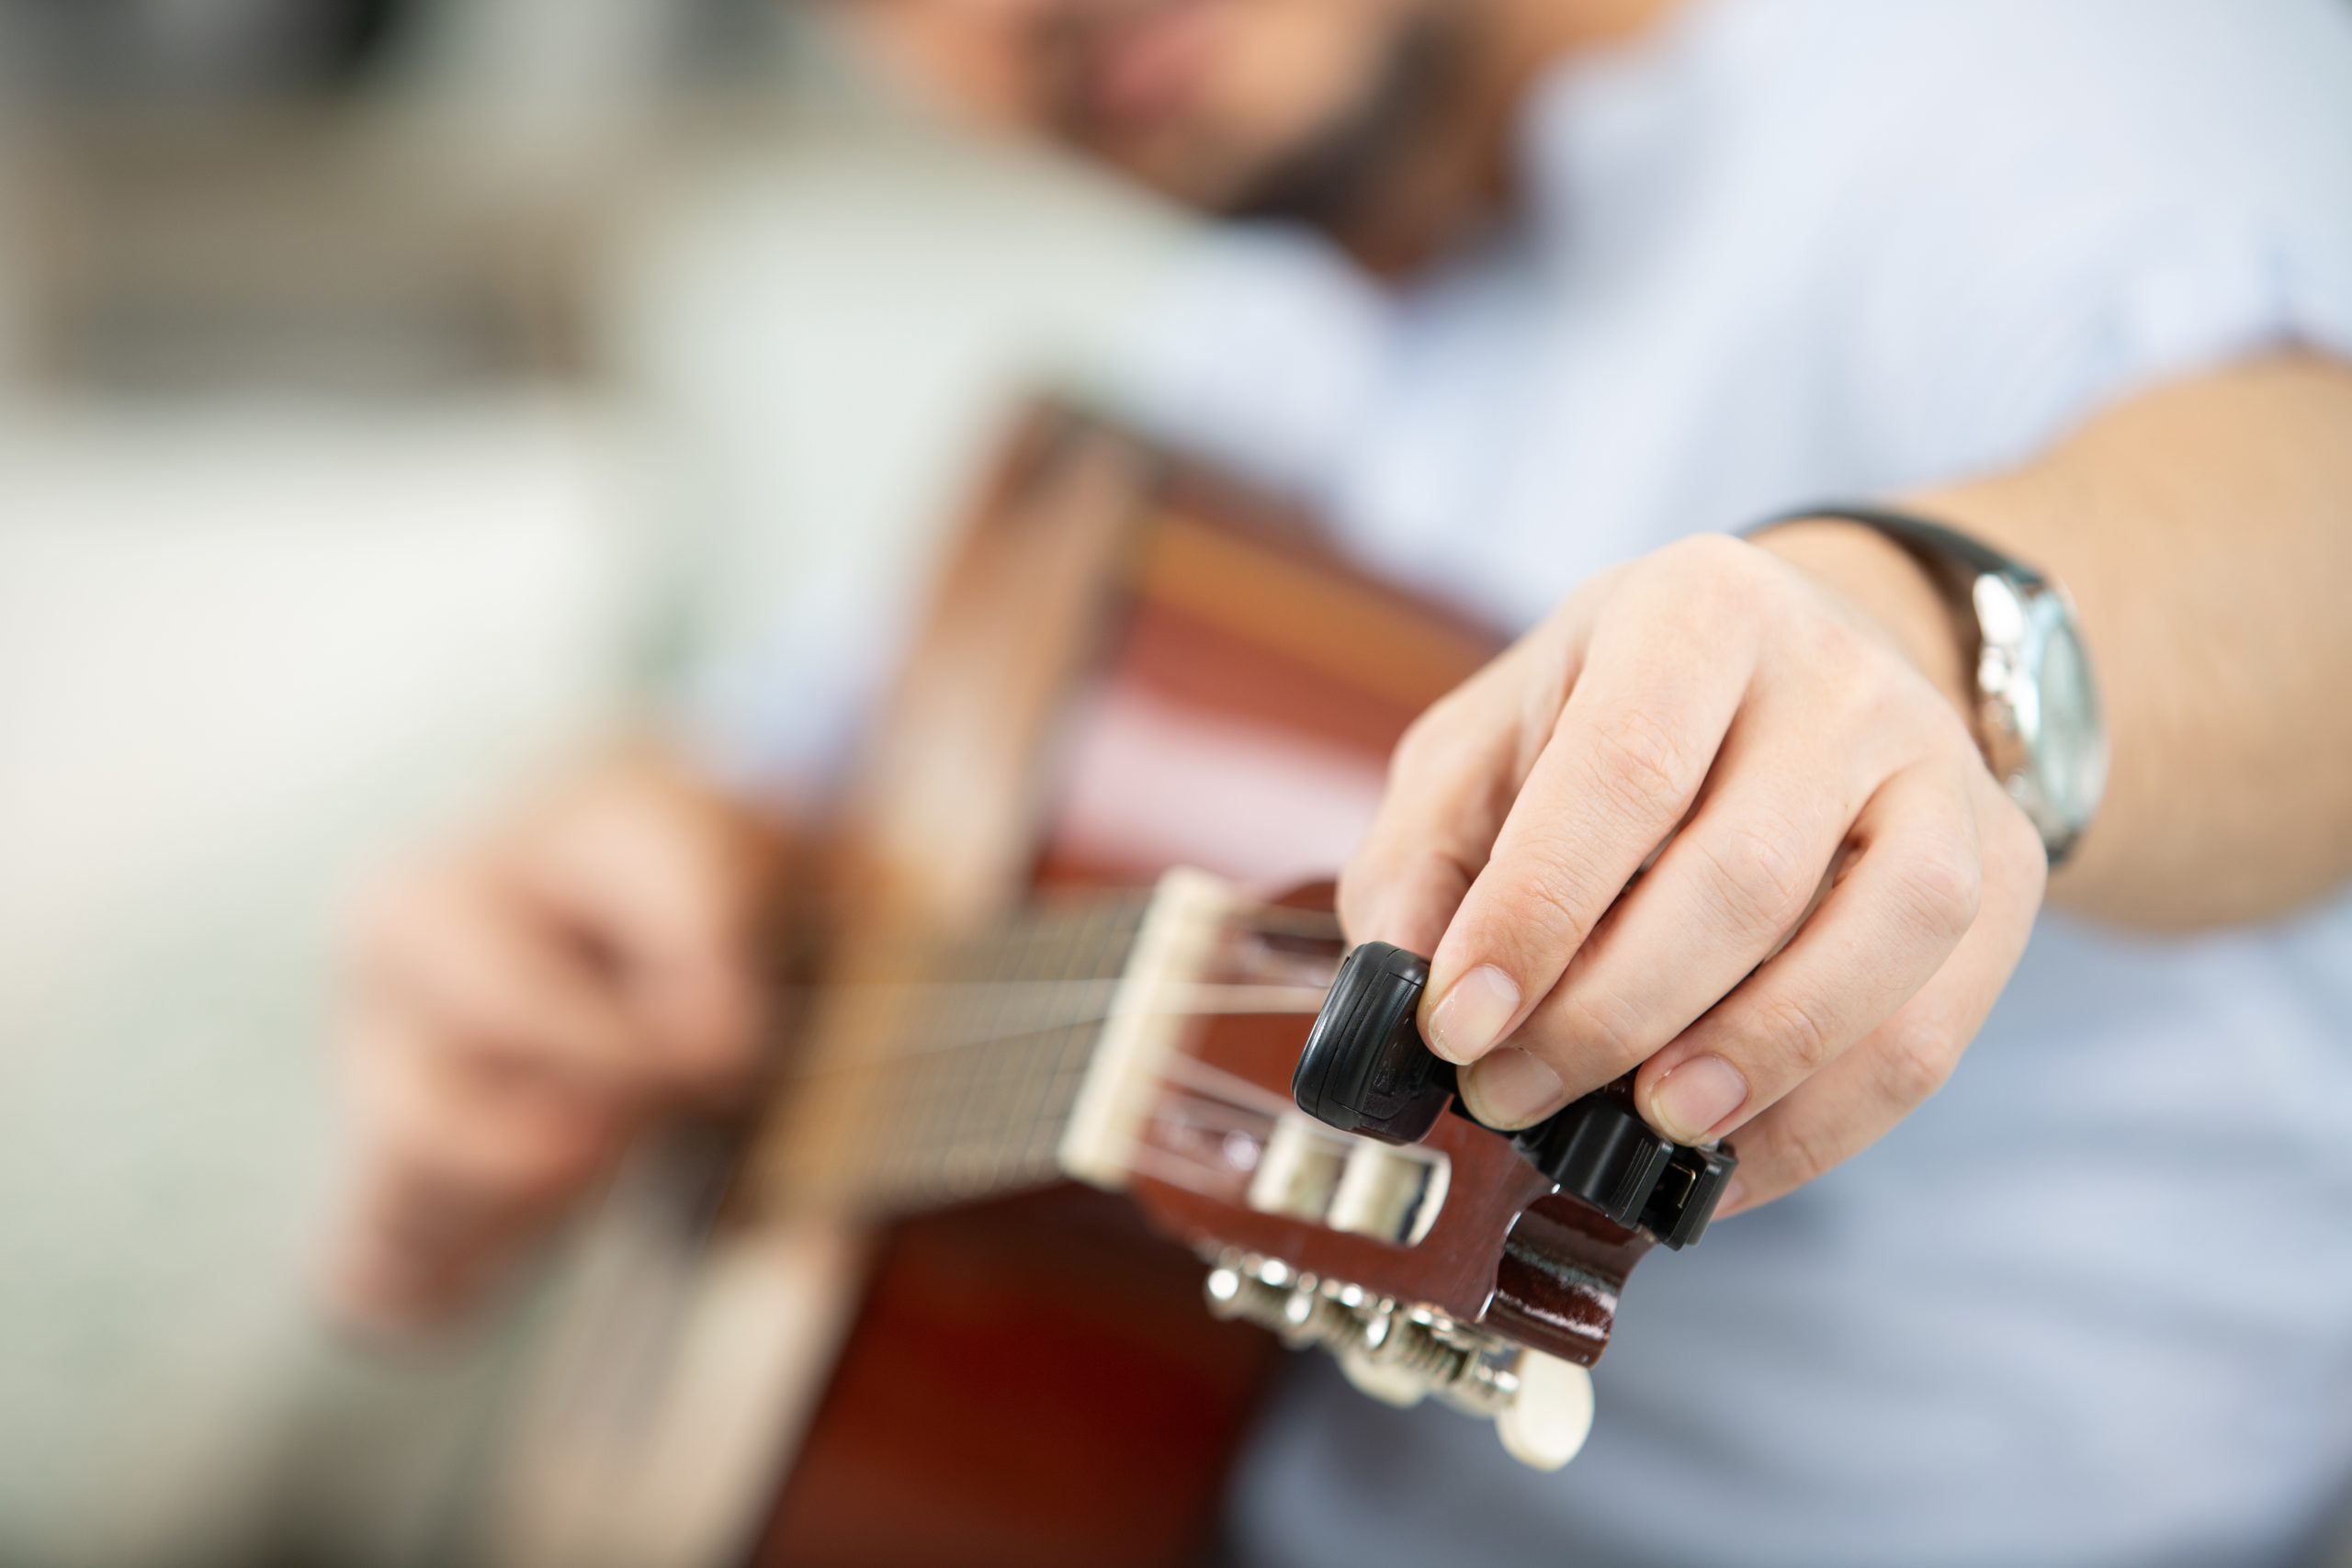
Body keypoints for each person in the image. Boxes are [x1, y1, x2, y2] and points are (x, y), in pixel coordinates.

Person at [329, 1, 2352, 1562]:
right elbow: (755, 782)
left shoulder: (2026, 103)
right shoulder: (1239, 360)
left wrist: (1925, 641)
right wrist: (607, 885)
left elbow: (2290, 538)